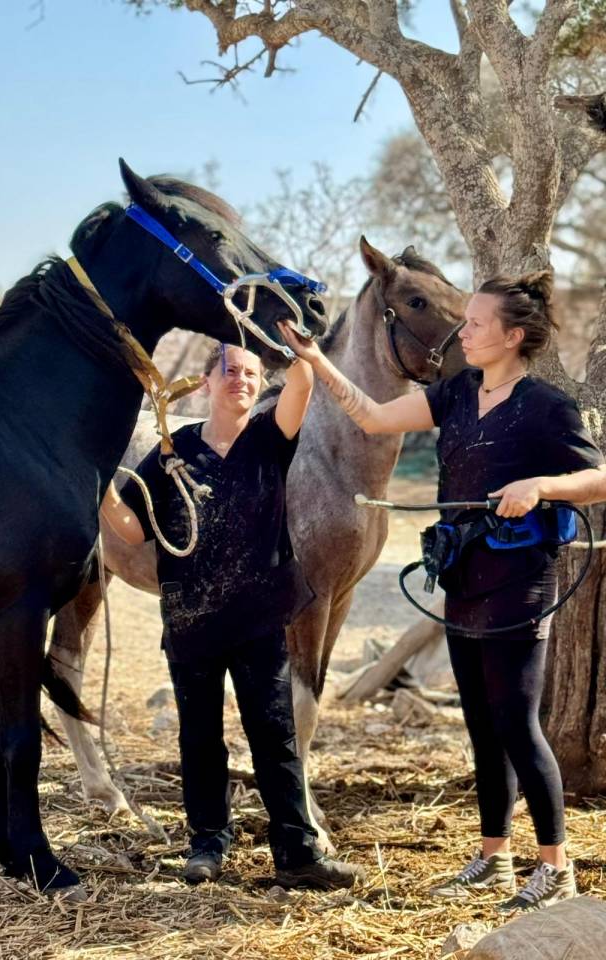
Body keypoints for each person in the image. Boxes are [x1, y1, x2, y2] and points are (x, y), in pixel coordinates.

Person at [280, 271, 606, 914]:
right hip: (462, 575)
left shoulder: (545, 406)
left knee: (517, 721)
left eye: (478, 323)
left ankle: (556, 868)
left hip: (520, 579)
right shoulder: (456, 393)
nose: (466, 330)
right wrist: (316, 359)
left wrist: (541, 486)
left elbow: (599, 477)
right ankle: (493, 855)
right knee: (481, 724)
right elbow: (372, 416)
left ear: (513, 337)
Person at [101, 336, 358, 890]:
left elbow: (303, 382)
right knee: (199, 738)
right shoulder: (174, 452)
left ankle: (297, 852)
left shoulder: (271, 438)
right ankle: (207, 844)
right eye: (228, 370)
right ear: (207, 382)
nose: (239, 378)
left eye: (249, 371)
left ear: (259, 384)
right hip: (192, 621)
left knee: (274, 735)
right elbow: (130, 527)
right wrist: (99, 487)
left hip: (261, 620)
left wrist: (290, 343)